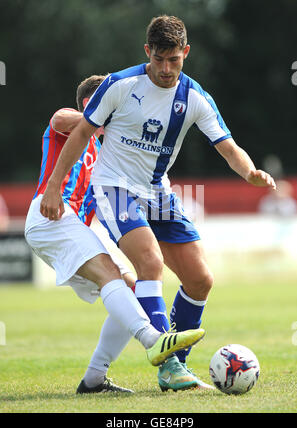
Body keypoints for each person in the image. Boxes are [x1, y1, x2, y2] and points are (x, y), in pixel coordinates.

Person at [39, 15, 276, 392]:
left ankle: (175, 368)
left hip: (158, 191)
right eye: (159, 59)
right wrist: (53, 187)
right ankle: (166, 365)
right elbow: (82, 130)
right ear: (147, 51)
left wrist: (249, 172)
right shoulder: (120, 85)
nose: (166, 69)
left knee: (200, 280)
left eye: (174, 60)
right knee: (149, 262)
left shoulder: (195, 97)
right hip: (115, 186)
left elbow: (227, 147)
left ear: (186, 53)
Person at [25, 73, 205, 394]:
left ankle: (94, 379)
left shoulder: (109, 150)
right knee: (112, 276)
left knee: (130, 286)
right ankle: (154, 340)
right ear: (92, 103)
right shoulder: (75, 125)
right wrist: (103, 115)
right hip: (50, 214)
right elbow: (58, 117)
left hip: (70, 225)